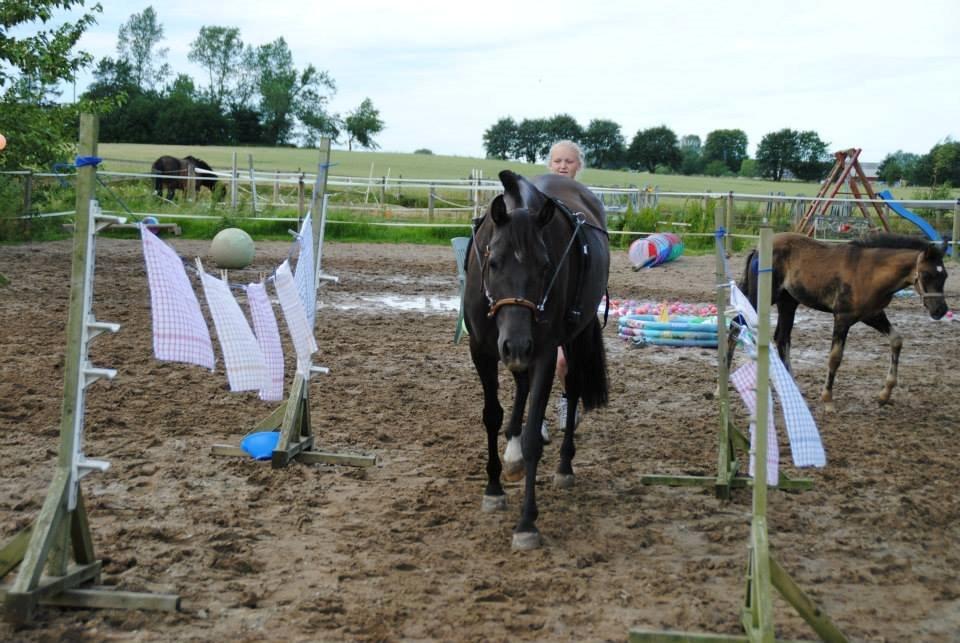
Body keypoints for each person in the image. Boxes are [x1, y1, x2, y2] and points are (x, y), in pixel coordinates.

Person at [541, 140, 585, 442]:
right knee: (537, 359)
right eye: (557, 161)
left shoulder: (583, 203)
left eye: (568, 161)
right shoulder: (537, 199)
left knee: (563, 361)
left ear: (578, 166)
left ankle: (569, 400)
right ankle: (538, 416)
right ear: (549, 164)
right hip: (542, 293)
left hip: (572, 295)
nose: (562, 166)